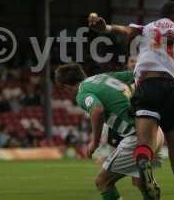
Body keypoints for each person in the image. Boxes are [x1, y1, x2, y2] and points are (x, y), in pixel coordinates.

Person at [88, 1, 174, 200]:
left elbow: (124, 30)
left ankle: (144, 163)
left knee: (145, 145)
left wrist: (105, 28)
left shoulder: (147, 27)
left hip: (146, 87)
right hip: (172, 88)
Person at [55, 63, 164, 200]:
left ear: (65, 87)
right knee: (140, 182)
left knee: (102, 182)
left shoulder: (82, 93)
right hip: (155, 130)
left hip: (136, 137)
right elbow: (136, 75)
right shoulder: (103, 77)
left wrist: (94, 143)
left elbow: (97, 110)